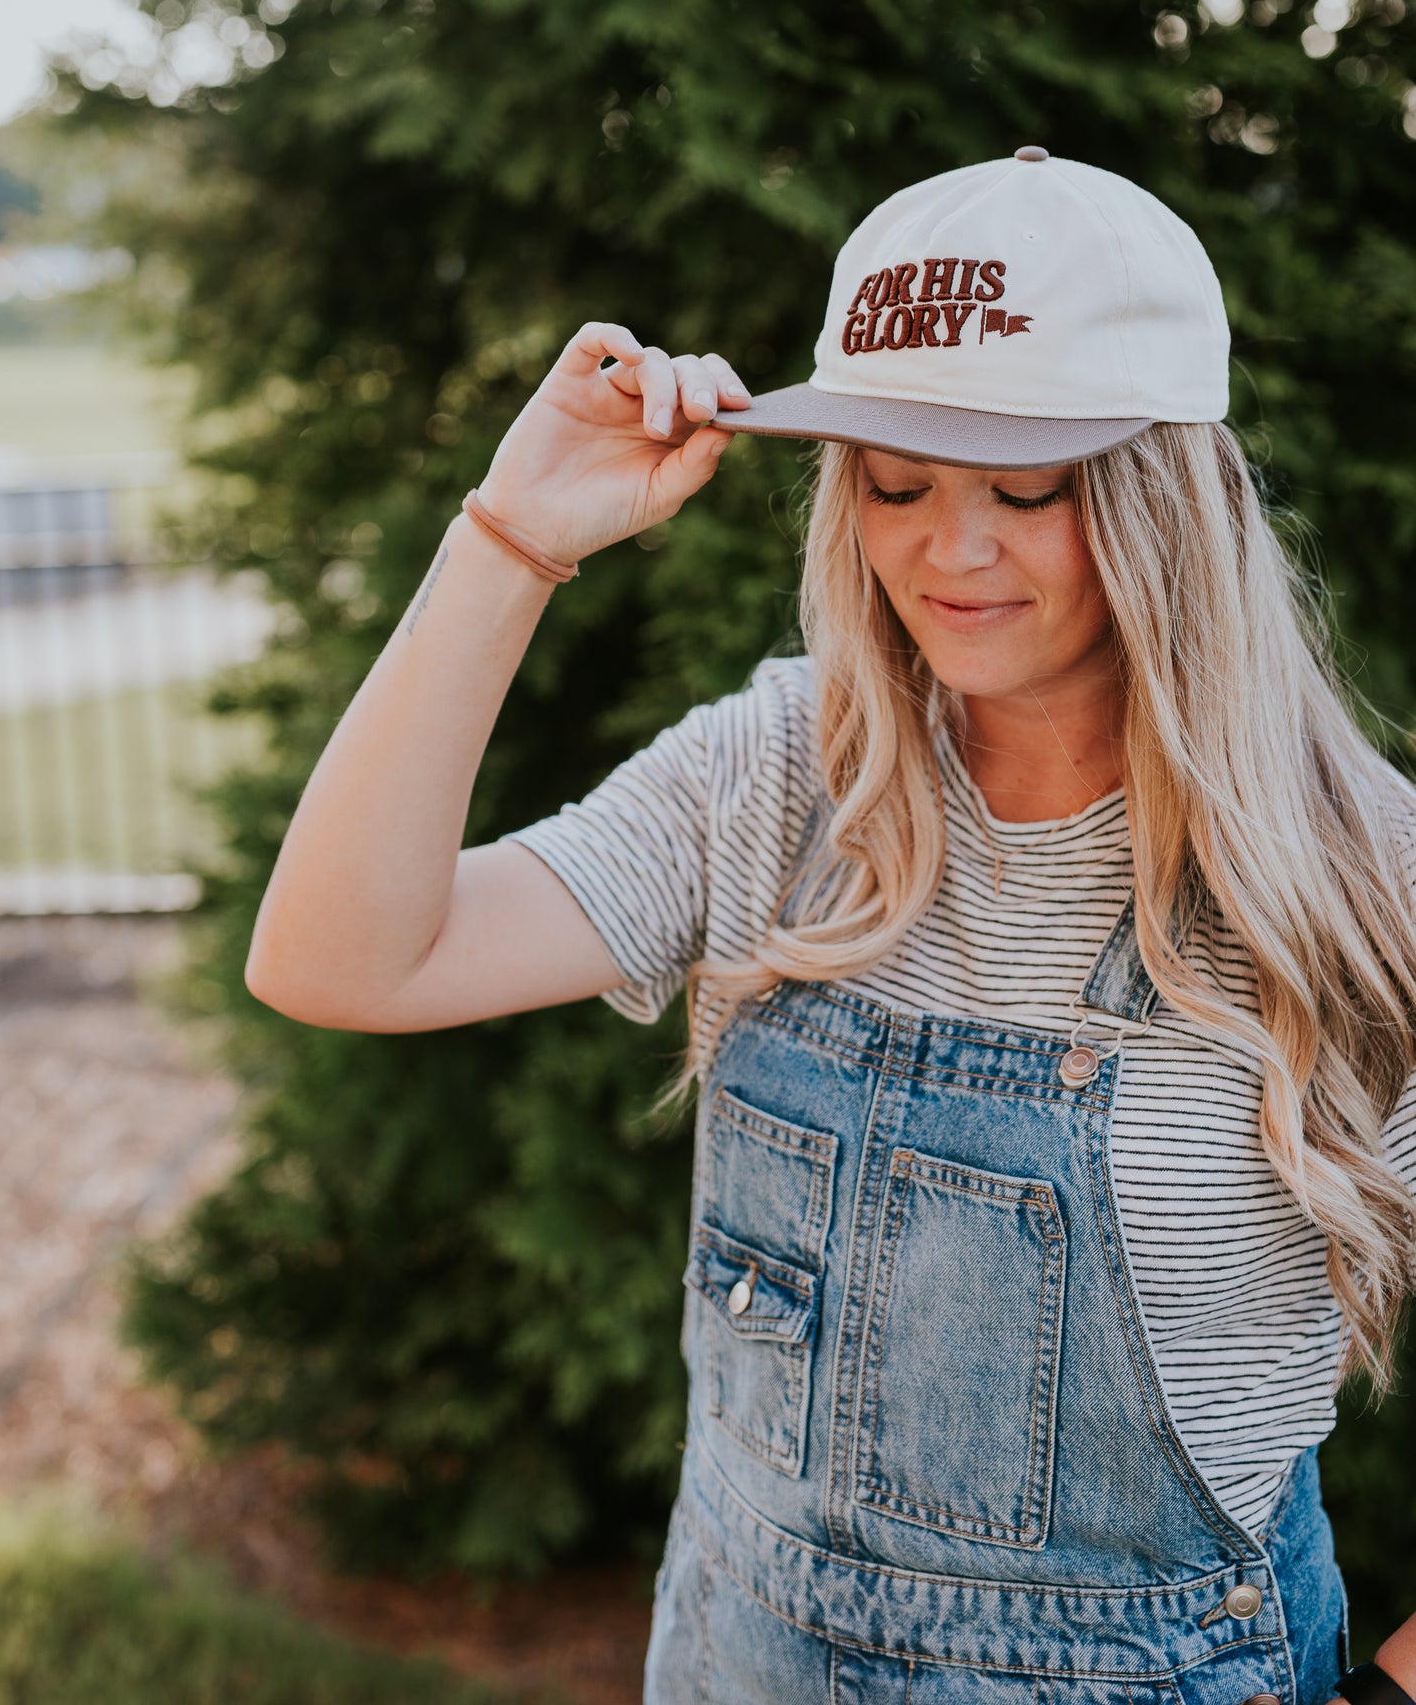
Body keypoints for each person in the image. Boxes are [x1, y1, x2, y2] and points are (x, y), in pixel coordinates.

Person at [245, 148, 1416, 1705]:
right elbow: (334, 961)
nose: (952, 551)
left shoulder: (1354, 882)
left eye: (1026, 487)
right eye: (895, 481)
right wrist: (510, 540)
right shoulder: (779, 777)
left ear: (1162, 496)